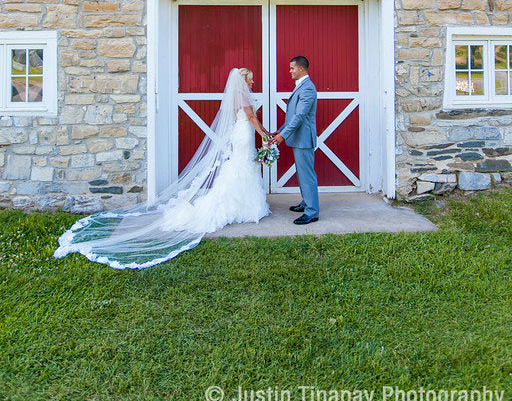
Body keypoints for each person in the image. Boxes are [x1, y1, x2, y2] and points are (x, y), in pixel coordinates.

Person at [53, 68, 271, 269]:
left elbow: (251, 117)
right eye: (251, 78)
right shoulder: (242, 95)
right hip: (244, 134)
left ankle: (243, 205)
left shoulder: (239, 95)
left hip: (243, 133)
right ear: (244, 80)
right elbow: (250, 116)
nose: (253, 81)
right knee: (241, 167)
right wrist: (264, 135)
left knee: (242, 167)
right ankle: (239, 206)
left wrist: (264, 132)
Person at [271, 56, 319, 224]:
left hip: (304, 139)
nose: (290, 71)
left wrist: (283, 136)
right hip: (298, 138)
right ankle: (306, 202)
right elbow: (293, 115)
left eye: (292, 68)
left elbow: (299, 116)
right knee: (302, 173)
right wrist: (281, 130)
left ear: (301, 69)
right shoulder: (301, 86)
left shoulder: (307, 89)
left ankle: (312, 212)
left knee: (307, 175)